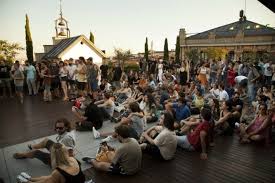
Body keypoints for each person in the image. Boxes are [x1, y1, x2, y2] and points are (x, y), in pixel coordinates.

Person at [16, 143, 85, 183]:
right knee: (49, 177)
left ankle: (27, 182)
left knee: (49, 179)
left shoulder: (58, 172)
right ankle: (30, 178)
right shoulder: (72, 159)